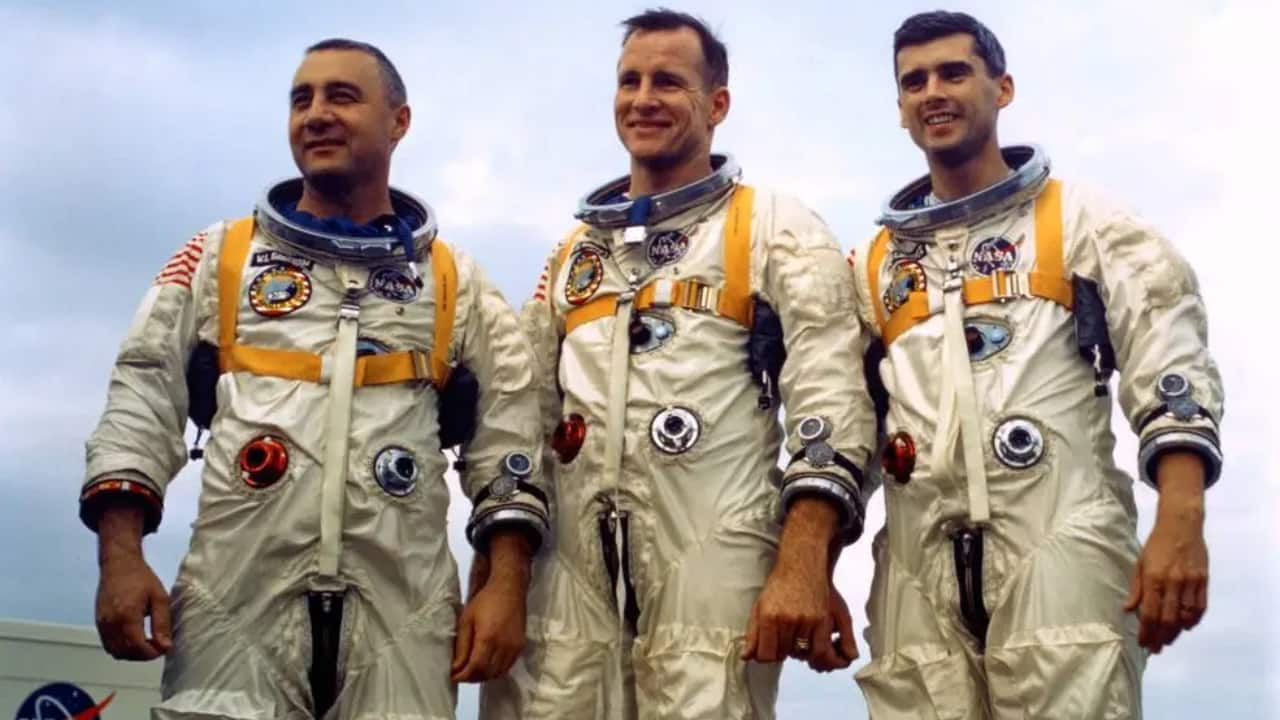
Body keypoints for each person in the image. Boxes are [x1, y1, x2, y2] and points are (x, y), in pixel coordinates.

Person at [82, 38, 548, 719]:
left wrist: (504, 588)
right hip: (233, 598)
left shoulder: (455, 282)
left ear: (399, 121)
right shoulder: (221, 258)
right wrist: (118, 558)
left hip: (402, 608)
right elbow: (140, 398)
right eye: (302, 99)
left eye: (342, 96)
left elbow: (511, 438)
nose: (317, 114)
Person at [478, 9, 877, 720]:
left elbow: (832, 398)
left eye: (668, 81)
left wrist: (804, 562)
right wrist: (499, 578)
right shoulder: (574, 254)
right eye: (629, 81)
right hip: (568, 568)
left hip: (714, 557)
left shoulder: (774, 227)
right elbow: (516, 419)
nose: (643, 99)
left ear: (716, 104)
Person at [848, 11, 1224, 718]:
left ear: (1003, 86)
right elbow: (839, 419)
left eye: (955, 72)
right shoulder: (874, 267)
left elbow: (1168, 348)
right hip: (916, 567)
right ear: (899, 107)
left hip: (1060, 540)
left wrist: (1182, 517)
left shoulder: (1081, 220)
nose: (933, 91)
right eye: (914, 81)